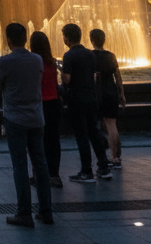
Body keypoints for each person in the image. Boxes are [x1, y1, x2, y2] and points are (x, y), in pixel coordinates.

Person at [0, 22, 54, 228]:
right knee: (41, 164)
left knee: (20, 165)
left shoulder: (5, 62)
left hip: (15, 120)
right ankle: (46, 211)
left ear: (8, 40)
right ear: (25, 38)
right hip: (37, 119)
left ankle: (24, 213)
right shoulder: (37, 59)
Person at [61, 23, 109, 183]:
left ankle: (86, 171)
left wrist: (61, 73)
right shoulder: (90, 54)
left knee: (81, 135)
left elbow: (67, 79)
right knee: (94, 132)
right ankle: (104, 167)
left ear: (67, 38)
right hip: (91, 97)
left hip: (77, 99)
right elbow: (95, 76)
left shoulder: (69, 56)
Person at [29, 31, 62, 189]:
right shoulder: (52, 62)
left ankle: (39, 174)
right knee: (53, 140)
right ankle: (54, 175)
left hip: (39, 104)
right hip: (53, 103)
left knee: (37, 141)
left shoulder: (34, 62)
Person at [89, 28, 125, 168]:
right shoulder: (111, 56)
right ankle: (117, 154)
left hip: (99, 93)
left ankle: (114, 158)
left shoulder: (90, 55)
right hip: (111, 92)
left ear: (92, 40)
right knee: (111, 125)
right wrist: (121, 94)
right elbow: (118, 76)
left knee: (108, 126)